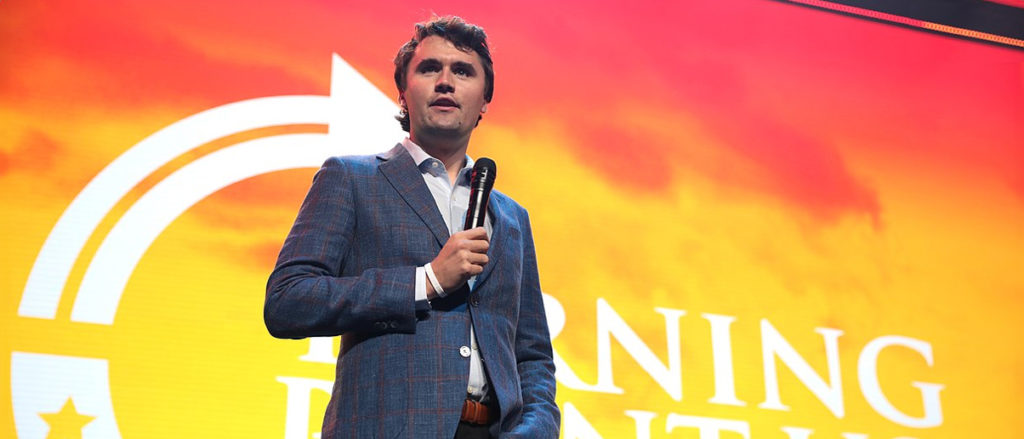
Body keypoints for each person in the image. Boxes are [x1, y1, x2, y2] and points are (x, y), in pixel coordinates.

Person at [264, 16, 560, 438]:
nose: (446, 82)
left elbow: (532, 355)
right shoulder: (352, 179)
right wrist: (427, 281)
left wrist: (537, 429)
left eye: (463, 71)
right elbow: (288, 301)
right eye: (429, 68)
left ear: (484, 100)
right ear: (403, 93)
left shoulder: (512, 217)